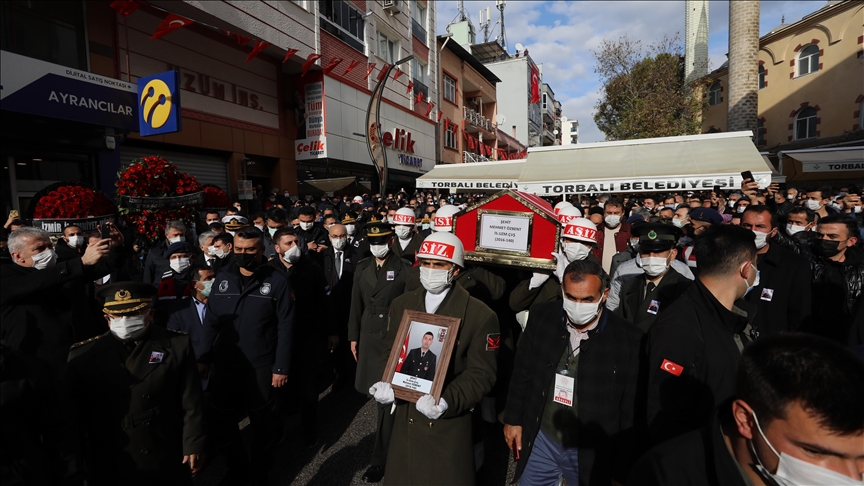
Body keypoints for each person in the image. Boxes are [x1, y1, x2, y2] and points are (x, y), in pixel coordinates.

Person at [628, 333, 864, 486]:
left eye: (862, 457)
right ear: (746, 420)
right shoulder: (664, 476)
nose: (849, 477)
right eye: (814, 452)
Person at [369, 232, 499, 485]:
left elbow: (482, 374)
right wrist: (386, 381)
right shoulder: (402, 304)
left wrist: (447, 401)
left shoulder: (480, 314)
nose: (430, 269)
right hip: (405, 420)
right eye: (425, 262)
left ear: (456, 269)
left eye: (439, 264)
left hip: (446, 426)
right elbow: (391, 351)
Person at [503, 259, 644, 485]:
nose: (578, 306)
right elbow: (522, 373)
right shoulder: (541, 317)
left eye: (587, 299)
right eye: (571, 297)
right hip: (543, 438)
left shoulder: (628, 339)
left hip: (590, 448)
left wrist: (621, 468)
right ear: (562, 290)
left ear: (604, 294)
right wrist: (513, 419)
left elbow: (629, 411)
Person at [66, 282, 207, 485]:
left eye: (133, 314)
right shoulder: (83, 355)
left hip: (163, 444)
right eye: (118, 316)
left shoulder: (176, 344)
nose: (125, 321)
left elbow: (191, 399)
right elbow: (75, 415)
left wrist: (194, 442)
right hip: (111, 450)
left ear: (150, 314)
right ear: (107, 318)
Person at [197, 227, 295, 485]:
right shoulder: (223, 278)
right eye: (238, 249)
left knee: (263, 424)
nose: (243, 255)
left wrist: (281, 367)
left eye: (249, 250)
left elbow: (286, 326)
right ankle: (236, 467)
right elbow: (212, 322)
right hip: (226, 363)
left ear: (262, 250)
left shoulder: (277, 281)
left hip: (261, 365)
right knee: (220, 419)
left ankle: (260, 472)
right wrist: (203, 357)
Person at [646, 225, 758, 445]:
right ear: (746, 269)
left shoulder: (734, 316)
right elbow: (665, 416)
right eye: (756, 265)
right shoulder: (679, 328)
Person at [1, 225, 123, 375]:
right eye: (40, 249)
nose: (49, 252)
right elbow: (35, 282)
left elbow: (103, 268)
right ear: (18, 256)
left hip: (82, 354)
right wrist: (81, 262)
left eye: (49, 246)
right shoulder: (7, 276)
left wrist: (116, 248)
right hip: (39, 364)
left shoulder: (63, 267)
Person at [347, 220, 410, 483]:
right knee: (378, 397)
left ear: (391, 241)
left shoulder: (405, 269)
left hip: (392, 339)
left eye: (381, 242)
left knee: (388, 402)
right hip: (368, 338)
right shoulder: (362, 268)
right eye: (372, 242)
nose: (377, 247)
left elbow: (409, 310)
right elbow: (355, 305)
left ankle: (380, 459)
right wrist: (353, 337)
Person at [269, 226, 335, 448]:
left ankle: (309, 430)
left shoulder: (311, 268)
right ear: (277, 247)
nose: (294, 247)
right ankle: (277, 430)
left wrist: (331, 331)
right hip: (278, 341)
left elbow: (325, 302)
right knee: (278, 391)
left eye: (296, 242)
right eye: (289, 243)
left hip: (307, 337)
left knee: (308, 389)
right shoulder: (269, 270)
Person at [509, 218, 600, 324]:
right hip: (538, 330)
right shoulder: (545, 260)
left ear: (591, 247)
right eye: (573, 240)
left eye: (585, 243)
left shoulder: (595, 269)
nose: (578, 246)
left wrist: (563, 279)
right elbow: (515, 304)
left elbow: (580, 311)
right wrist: (534, 282)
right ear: (563, 240)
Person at [740, 206, 812, 337]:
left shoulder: (794, 264)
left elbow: (799, 313)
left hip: (773, 343)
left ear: (773, 232)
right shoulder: (725, 258)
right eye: (747, 226)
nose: (753, 231)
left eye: (760, 226)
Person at [614, 223, 694, 332]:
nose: (651, 257)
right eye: (646, 252)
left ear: (673, 254)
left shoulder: (685, 288)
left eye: (658, 252)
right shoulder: (629, 285)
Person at [804, 214, 863, 345]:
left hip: (845, 340)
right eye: (820, 235)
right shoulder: (805, 258)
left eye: (832, 237)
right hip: (808, 336)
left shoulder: (861, 269)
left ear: (851, 241)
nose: (824, 239)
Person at [322, 223, 358, 390]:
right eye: (335, 236)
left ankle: (350, 376)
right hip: (329, 308)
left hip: (349, 307)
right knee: (333, 344)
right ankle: (337, 374)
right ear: (329, 237)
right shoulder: (322, 257)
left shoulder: (357, 256)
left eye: (342, 236)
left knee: (349, 343)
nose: (339, 240)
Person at [166, 264, 214, 361]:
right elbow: (176, 343)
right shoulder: (178, 311)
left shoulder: (223, 304)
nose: (214, 281)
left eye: (214, 277)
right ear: (195, 284)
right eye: (208, 278)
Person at [142, 220, 187, 285]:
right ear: (167, 235)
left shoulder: (190, 250)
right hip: (160, 290)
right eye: (175, 235)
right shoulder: (155, 252)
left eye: (181, 234)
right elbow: (148, 276)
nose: (179, 238)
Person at [594, 198, 631, 273]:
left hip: (623, 276)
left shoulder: (630, 231)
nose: (612, 216)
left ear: (623, 213)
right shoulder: (596, 231)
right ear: (604, 212)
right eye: (609, 213)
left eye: (616, 213)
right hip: (600, 276)